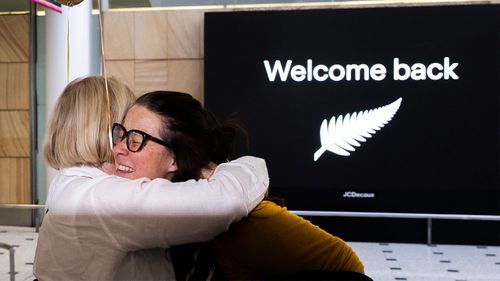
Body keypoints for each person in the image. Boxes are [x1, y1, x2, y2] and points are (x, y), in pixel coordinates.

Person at [113, 90, 370, 281]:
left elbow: (348, 264)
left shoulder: (243, 223)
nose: (118, 149)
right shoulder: (162, 210)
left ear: (175, 159)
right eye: (121, 134)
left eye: (136, 139)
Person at [33, 76, 269, 280]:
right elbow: (223, 202)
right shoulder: (97, 197)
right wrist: (245, 166)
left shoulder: (73, 187)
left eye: (135, 138)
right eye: (123, 132)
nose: (122, 146)